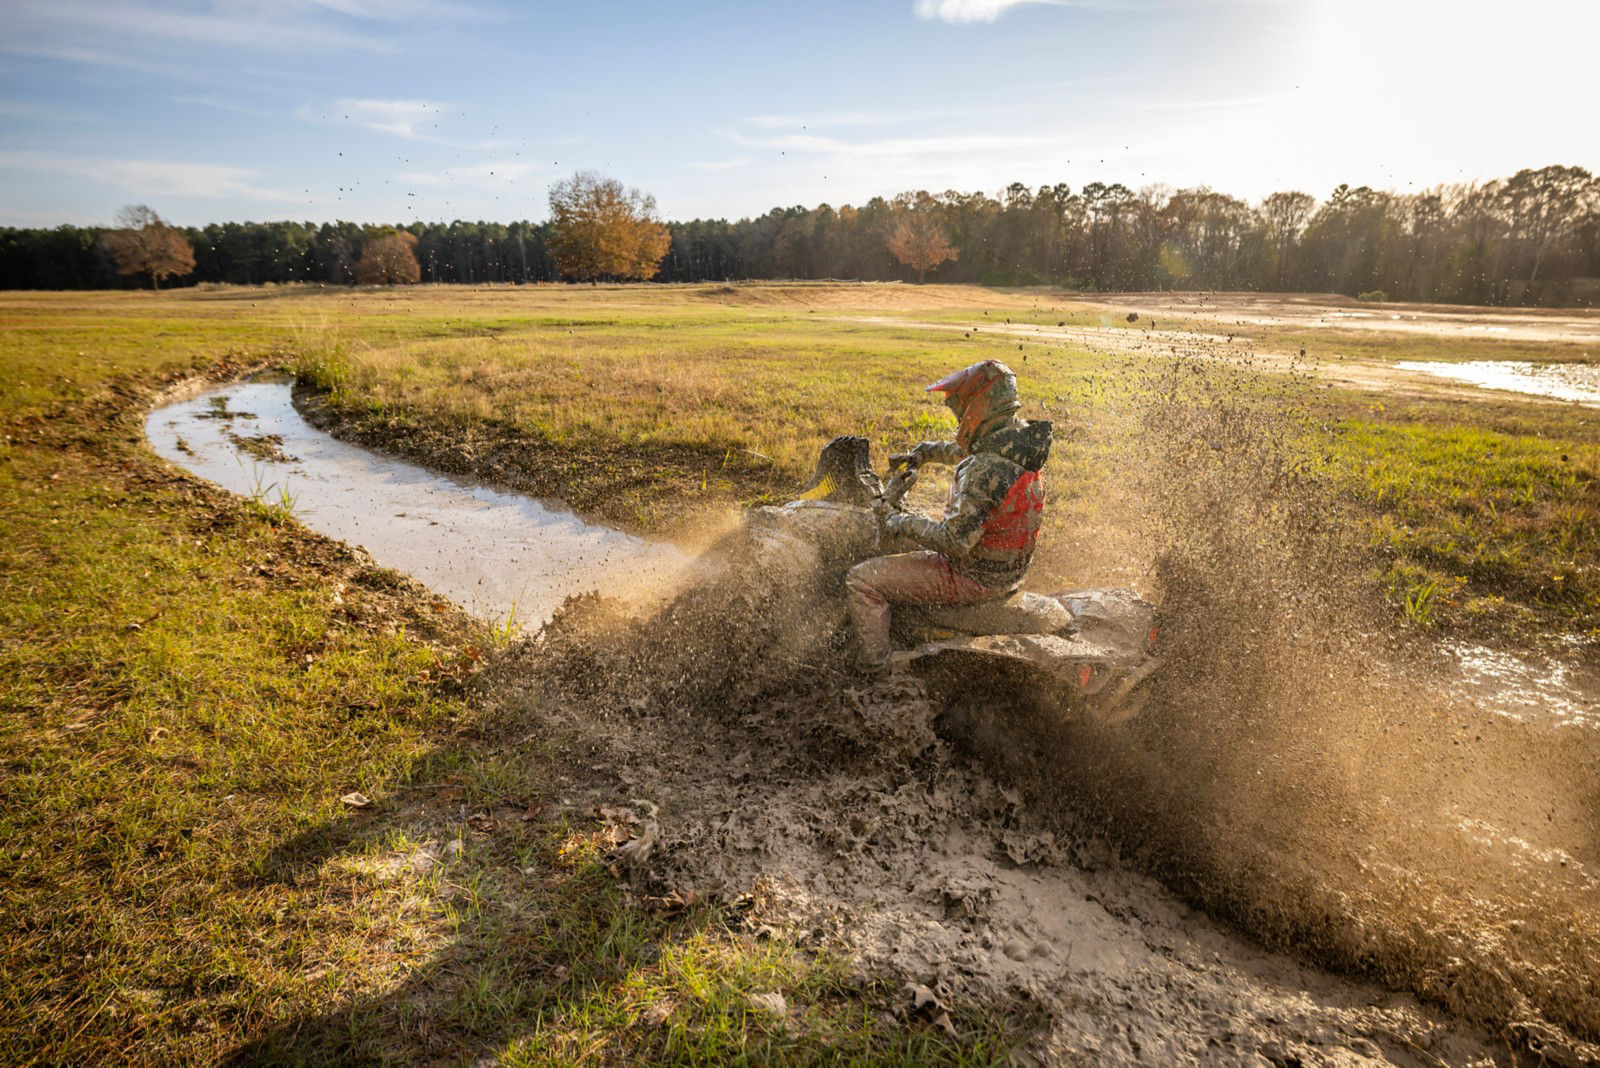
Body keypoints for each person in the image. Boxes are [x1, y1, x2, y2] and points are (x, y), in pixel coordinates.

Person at [846, 359, 1053, 671]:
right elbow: (969, 452)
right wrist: (925, 452)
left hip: (973, 577)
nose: (958, 419)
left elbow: (954, 541)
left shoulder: (983, 468)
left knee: (861, 580)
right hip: (1006, 572)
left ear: (978, 406)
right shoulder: (1019, 445)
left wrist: (897, 520)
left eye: (960, 410)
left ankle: (876, 668)